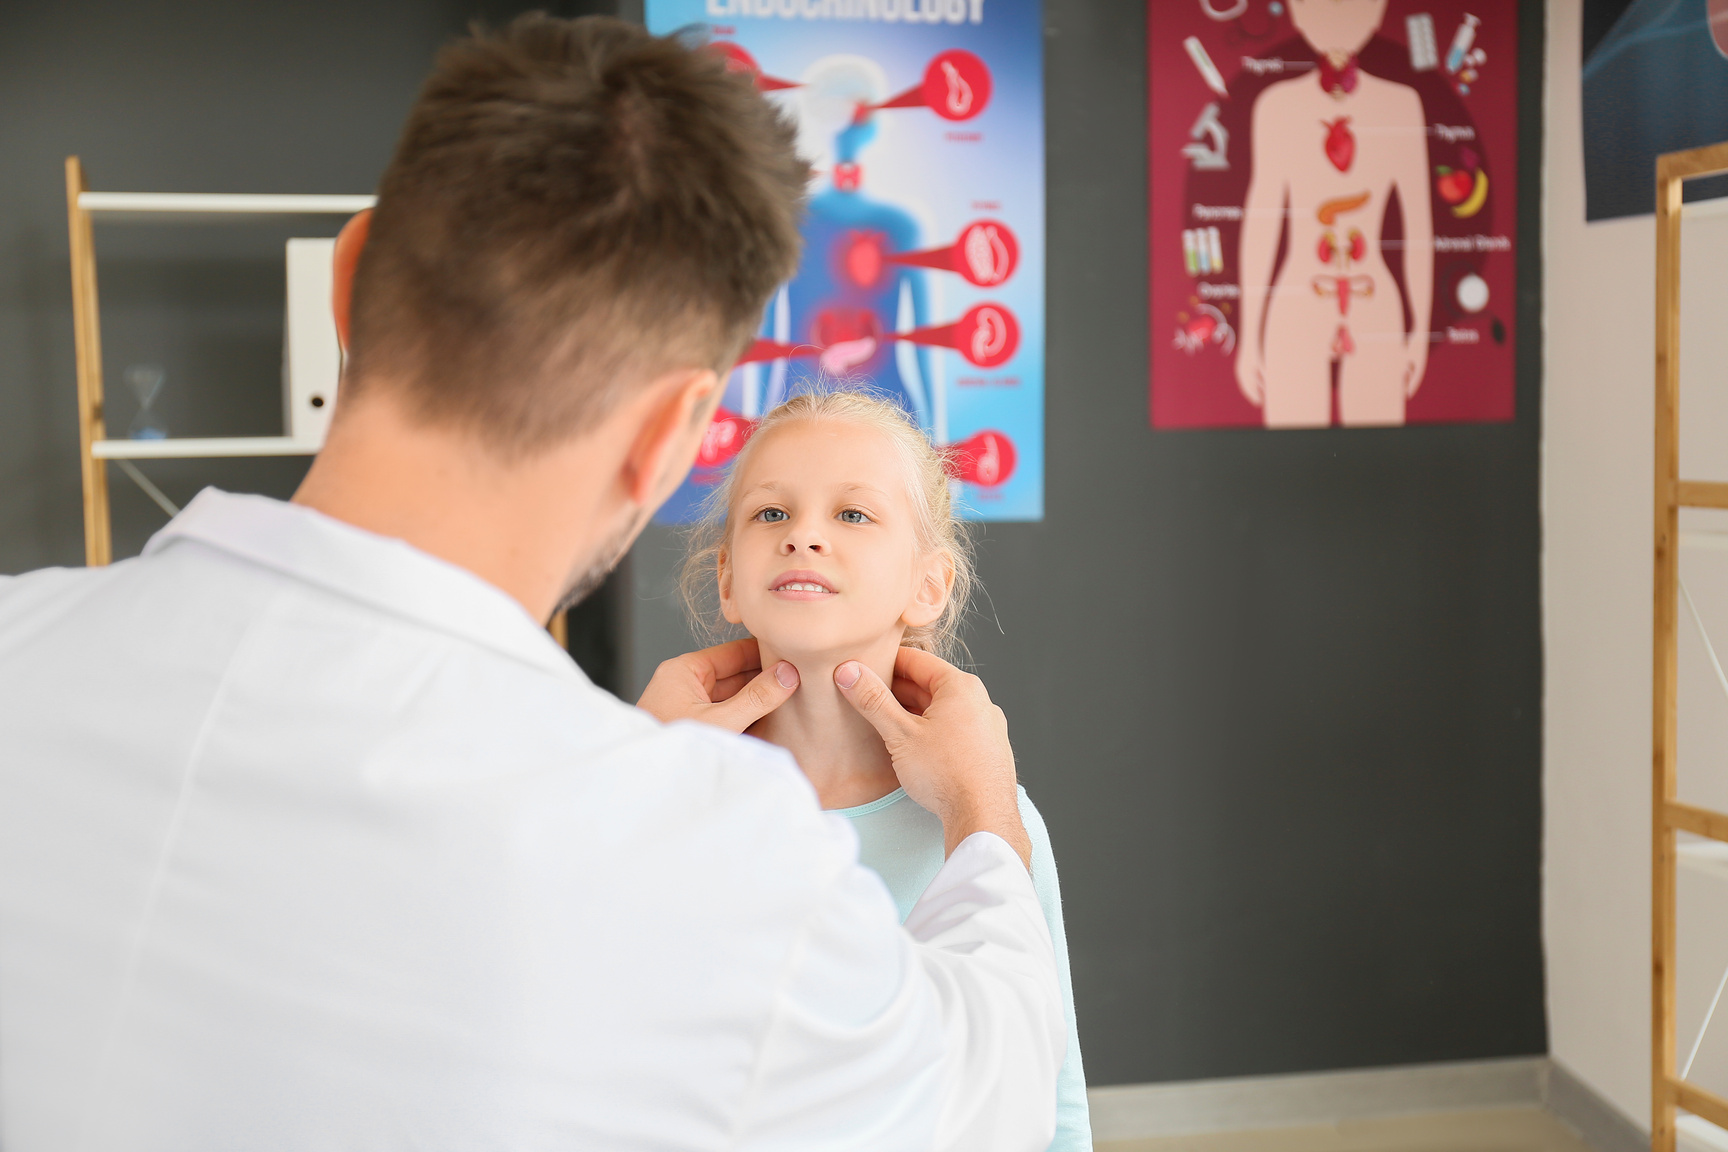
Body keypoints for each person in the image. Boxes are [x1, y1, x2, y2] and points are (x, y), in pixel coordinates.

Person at [0, 16, 1063, 1150]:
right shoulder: (728, 870)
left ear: (347, 284)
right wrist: (987, 820)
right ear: (671, 440)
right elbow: (986, 1109)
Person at [679, 388, 1093, 1151]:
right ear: (728, 580)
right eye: (771, 514)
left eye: (853, 514)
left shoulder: (993, 818)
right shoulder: (673, 803)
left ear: (927, 586)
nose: (803, 535)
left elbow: (1051, 1088)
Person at [1233, 0, 1433, 427]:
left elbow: (1418, 227)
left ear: (1378, 10)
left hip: (1374, 297)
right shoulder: (1276, 106)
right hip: (1296, 299)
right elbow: (1262, 220)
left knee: (1381, 455)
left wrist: (1419, 332)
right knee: (1287, 451)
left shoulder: (1401, 106)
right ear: (1295, 11)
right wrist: (1249, 338)